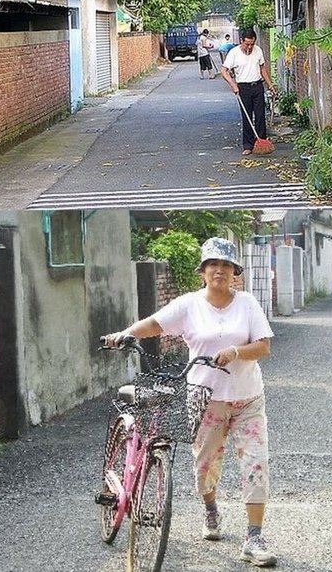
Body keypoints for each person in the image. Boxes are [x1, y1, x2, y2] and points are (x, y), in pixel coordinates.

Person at [102, 237, 277, 567]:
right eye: (213, 265)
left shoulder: (248, 304)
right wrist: (126, 333)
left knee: (256, 464)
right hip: (205, 400)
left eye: (225, 266)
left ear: (235, 272)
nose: (219, 271)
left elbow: (264, 346)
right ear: (203, 271)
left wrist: (237, 351)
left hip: (247, 400)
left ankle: (253, 538)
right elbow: (155, 323)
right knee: (204, 467)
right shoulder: (189, 305)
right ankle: (211, 509)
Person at [221, 29, 278, 156]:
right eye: (247, 44)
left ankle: (261, 142)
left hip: (257, 85)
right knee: (247, 116)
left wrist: (270, 84)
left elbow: (262, 68)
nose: (250, 47)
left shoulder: (258, 50)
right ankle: (248, 145)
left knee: (260, 116)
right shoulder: (234, 53)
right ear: (242, 41)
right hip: (243, 88)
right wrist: (233, 85)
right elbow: (224, 71)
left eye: (252, 44)